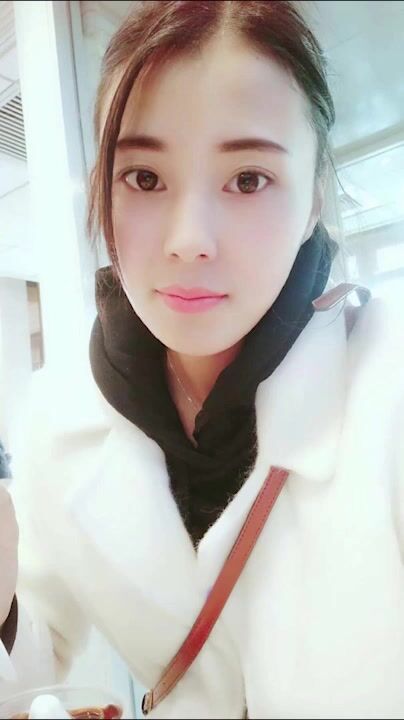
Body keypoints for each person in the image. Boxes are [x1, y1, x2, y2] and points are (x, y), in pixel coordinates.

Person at [1, 1, 404, 717]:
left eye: (247, 179)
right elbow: (34, 658)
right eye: (144, 178)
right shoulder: (56, 420)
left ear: (313, 202)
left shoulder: (387, 383)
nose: (189, 240)